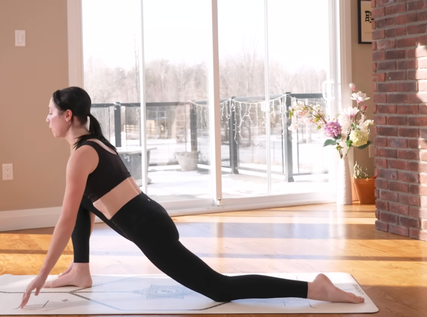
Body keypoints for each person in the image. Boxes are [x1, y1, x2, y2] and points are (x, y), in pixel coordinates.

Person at [19, 86, 365, 308]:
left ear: (67, 116)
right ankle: (80, 270)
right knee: (79, 199)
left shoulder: (81, 154)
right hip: (152, 217)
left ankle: (313, 288)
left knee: (219, 288)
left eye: (50, 113)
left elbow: (65, 222)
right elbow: (79, 208)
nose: (46, 119)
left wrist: (41, 273)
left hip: (151, 232)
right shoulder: (96, 143)